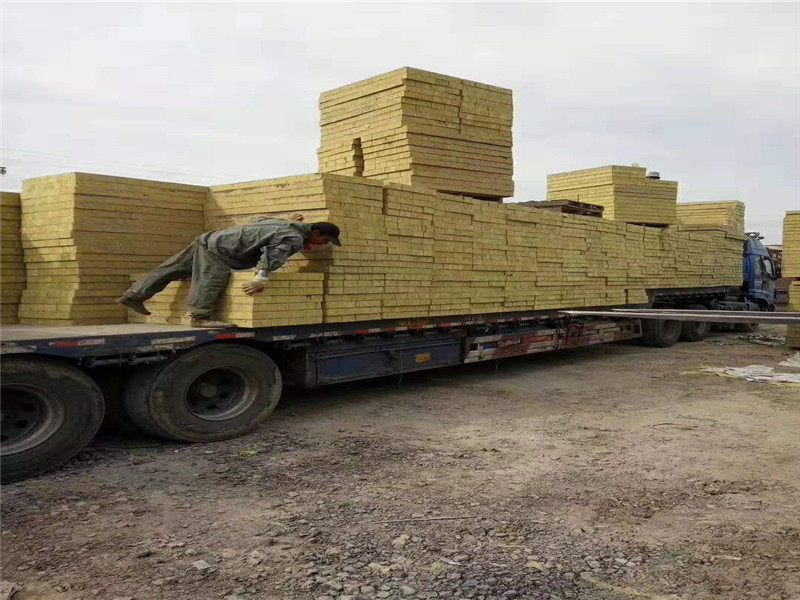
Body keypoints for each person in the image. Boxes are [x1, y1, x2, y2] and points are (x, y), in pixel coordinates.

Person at [117, 216, 341, 328]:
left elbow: (260, 223)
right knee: (212, 278)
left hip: (209, 239)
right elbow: (272, 255)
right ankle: (200, 316)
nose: (324, 245)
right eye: (325, 240)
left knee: (171, 269)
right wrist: (261, 278)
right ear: (316, 232)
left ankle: (133, 296)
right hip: (220, 251)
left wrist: (292, 227)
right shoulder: (291, 236)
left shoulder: (285, 225)